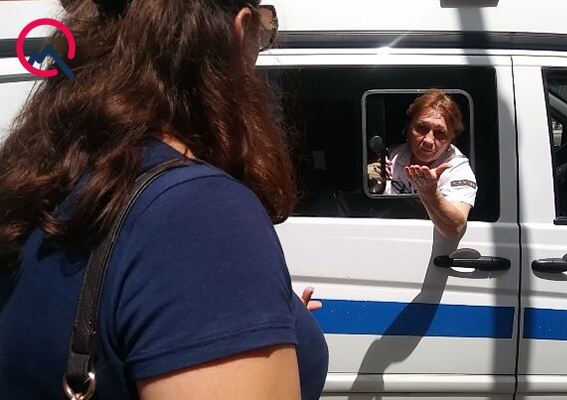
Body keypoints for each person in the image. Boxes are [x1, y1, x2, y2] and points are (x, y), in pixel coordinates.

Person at [0, 1, 328, 400]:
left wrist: (257, 313)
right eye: (261, 36)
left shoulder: (51, 179)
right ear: (238, 33)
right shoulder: (201, 215)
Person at [372, 90, 477, 238]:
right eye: (421, 128)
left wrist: (430, 193)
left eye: (440, 133)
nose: (428, 140)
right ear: (408, 130)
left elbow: (455, 228)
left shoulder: (458, 169)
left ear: (451, 139)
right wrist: (369, 178)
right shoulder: (392, 155)